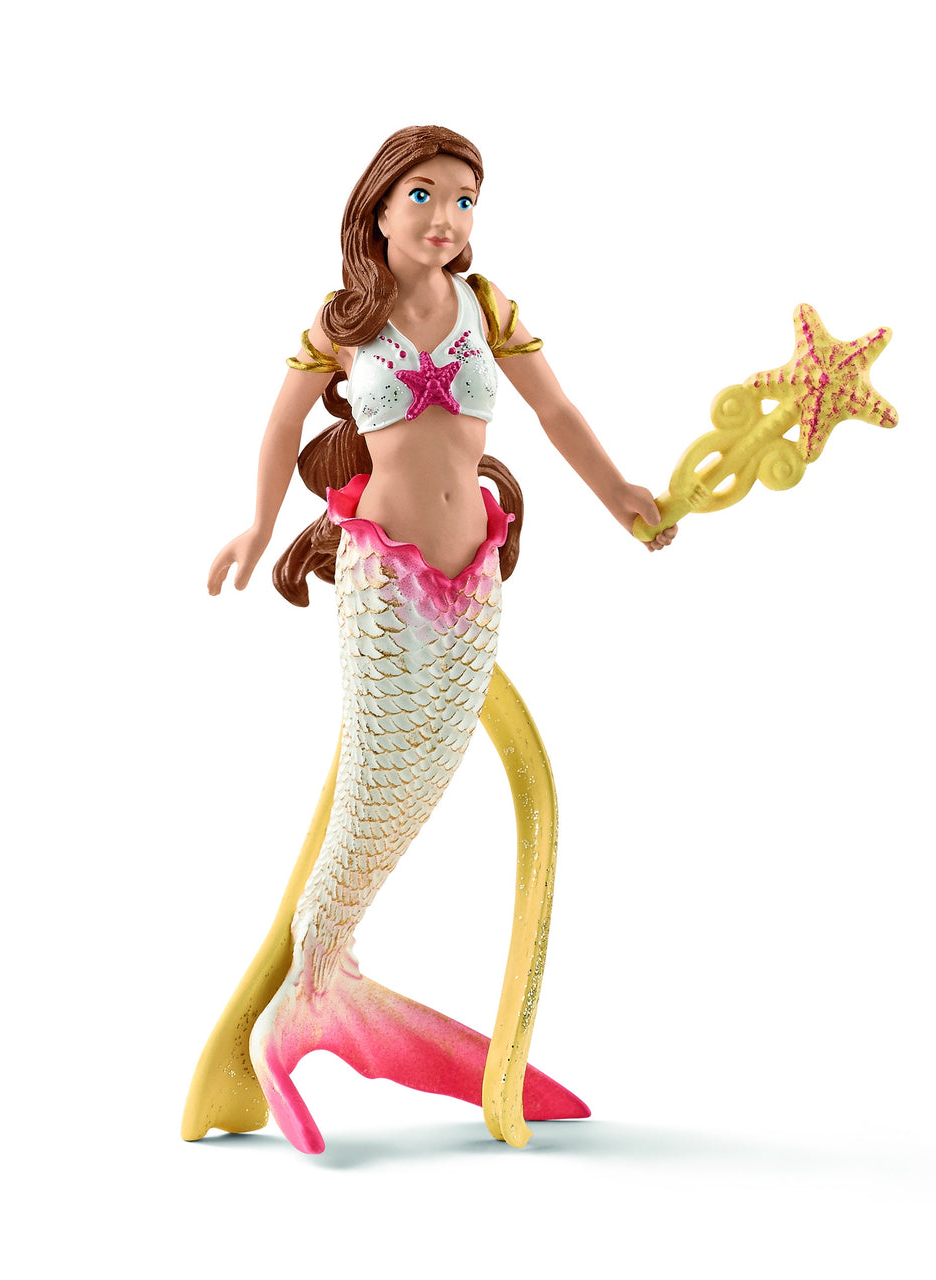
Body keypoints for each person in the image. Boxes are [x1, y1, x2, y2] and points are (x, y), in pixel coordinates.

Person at [197, 125, 676, 1155]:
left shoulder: (487, 307)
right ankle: (305, 990)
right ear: (377, 205)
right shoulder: (342, 319)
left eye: (465, 200)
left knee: (426, 780)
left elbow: (555, 409)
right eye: (423, 194)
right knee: (376, 783)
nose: (446, 217)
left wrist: (619, 495)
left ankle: (327, 982)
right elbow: (282, 427)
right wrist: (256, 522)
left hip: (476, 579)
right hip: (381, 575)